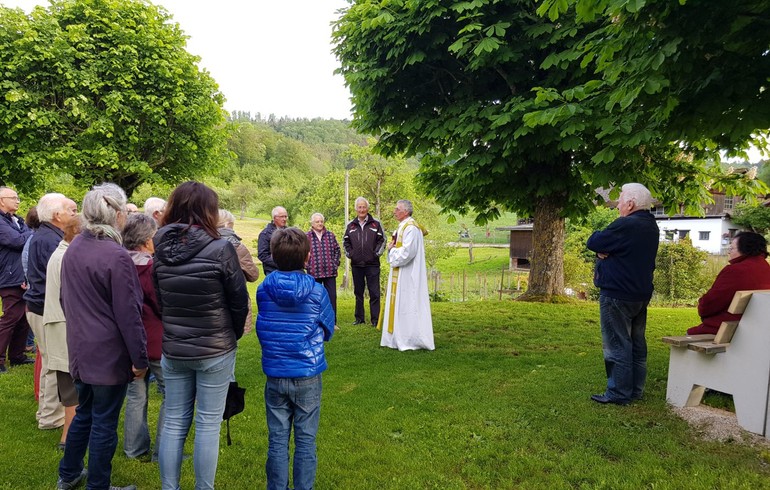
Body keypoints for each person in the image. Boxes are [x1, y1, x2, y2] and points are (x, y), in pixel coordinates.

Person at [153, 181, 249, 490]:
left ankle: (170, 487)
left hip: (176, 347)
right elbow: (239, 300)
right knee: (207, 423)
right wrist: (231, 336)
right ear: (209, 211)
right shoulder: (221, 247)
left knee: (175, 420)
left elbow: (159, 299)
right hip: (214, 348)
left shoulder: (159, 245)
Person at [57, 183, 147, 490]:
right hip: (107, 354)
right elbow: (129, 314)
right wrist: (139, 359)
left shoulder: (75, 247)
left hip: (81, 349)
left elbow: (64, 300)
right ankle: (97, 484)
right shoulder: (116, 255)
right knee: (104, 422)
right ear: (118, 215)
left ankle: (68, 474)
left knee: (85, 413)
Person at [255, 227, 335, 490]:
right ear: (307, 257)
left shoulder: (265, 289)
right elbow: (327, 329)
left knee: (277, 439)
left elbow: (263, 325)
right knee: (306, 440)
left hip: (276, 372)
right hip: (306, 373)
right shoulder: (316, 291)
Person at [586, 183, 659, 406]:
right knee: (636, 343)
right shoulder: (650, 225)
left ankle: (618, 393)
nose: (617, 205)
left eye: (620, 201)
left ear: (630, 203)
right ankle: (634, 390)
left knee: (617, 343)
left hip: (617, 293)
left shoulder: (627, 225)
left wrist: (602, 248)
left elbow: (594, 241)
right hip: (639, 293)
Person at [25, 193, 77, 430]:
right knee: (53, 363)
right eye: (71, 210)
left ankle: (48, 414)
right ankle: (49, 416)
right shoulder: (49, 240)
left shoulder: (46, 235)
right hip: (44, 308)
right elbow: (55, 279)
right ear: (58, 215)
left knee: (50, 361)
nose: (74, 215)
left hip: (39, 305)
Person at [121, 213, 165, 462]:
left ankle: (134, 449)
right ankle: (164, 450)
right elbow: (160, 304)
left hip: (128, 340)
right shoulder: (149, 268)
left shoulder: (119, 264)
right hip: (154, 339)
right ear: (148, 241)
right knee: (172, 394)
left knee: (136, 395)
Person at [44, 215, 82, 451]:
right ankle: (68, 440)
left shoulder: (62, 252)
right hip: (65, 329)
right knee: (72, 392)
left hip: (61, 327)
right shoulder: (67, 256)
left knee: (70, 390)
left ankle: (69, 438)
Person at [687, 231, 770, 335]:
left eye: (731, 248)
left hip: (730, 330)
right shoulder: (766, 268)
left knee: (689, 335)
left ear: (745, 250)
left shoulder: (736, 270)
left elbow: (709, 304)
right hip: (757, 329)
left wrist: (701, 306)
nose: (728, 252)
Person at [378, 200, 435, 351]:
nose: (394, 211)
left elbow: (408, 252)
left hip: (409, 274)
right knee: (399, 303)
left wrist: (391, 250)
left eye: (397, 209)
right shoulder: (402, 226)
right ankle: (397, 337)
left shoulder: (411, 228)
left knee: (408, 302)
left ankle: (410, 338)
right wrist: (392, 250)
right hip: (400, 272)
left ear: (406, 212)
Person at [0, 186, 34, 374]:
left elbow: (22, 237)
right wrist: (32, 233)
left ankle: (17, 355)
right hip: (9, 276)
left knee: (23, 318)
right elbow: (16, 241)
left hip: (22, 275)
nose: (18, 200)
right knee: (11, 317)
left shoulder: (17, 220)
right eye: (13, 197)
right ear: (1, 200)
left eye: (18, 197)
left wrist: (27, 233)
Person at [343, 197, 385, 326]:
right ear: (356, 209)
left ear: (368, 208)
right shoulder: (350, 225)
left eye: (364, 207)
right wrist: (351, 254)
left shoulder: (376, 224)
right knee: (358, 293)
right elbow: (346, 241)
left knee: (374, 293)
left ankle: (375, 320)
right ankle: (359, 318)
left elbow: (382, 240)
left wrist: (376, 253)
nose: (362, 209)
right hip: (356, 264)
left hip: (372, 264)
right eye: (359, 207)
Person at [218, 209, 259, 333]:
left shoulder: (202, 243)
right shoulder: (236, 247)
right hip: (234, 298)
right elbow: (254, 275)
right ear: (229, 224)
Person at [306, 213, 341, 324]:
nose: (320, 223)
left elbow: (337, 251)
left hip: (330, 272)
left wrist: (334, 263)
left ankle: (332, 322)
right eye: (317, 221)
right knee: (315, 298)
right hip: (314, 273)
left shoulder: (330, 235)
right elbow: (302, 253)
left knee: (331, 298)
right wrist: (307, 265)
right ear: (312, 223)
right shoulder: (307, 237)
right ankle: (315, 322)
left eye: (321, 221)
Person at [258, 206, 288, 275]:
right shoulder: (265, 234)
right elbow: (262, 255)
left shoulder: (289, 232)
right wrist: (280, 263)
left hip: (288, 271)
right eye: (281, 217)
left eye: (285, 217)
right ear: (274, 218)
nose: (284, 219)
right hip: (272, 271)